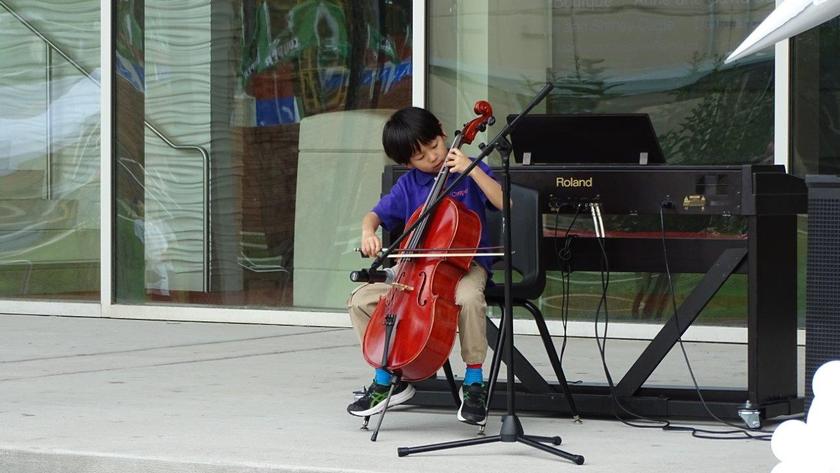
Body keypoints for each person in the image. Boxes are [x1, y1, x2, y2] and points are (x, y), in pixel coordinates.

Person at [346, 106, 503, 425]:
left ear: (443, 133)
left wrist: (472, 170)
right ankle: (389, 374)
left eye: (434, 146)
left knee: (470, 299)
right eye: (420, 156)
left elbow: (505, 201)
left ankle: (474, 383)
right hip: (418, 276)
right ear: (406, 163)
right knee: (360, 301)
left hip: (466, 266)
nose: (432, 157)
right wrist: (367, 232)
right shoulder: (408, 186)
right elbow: (374, 216)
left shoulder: (469, 170)